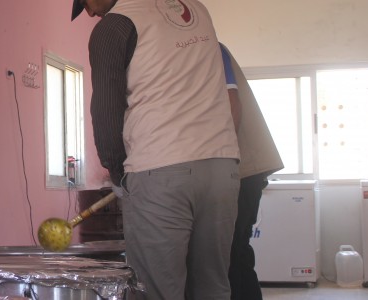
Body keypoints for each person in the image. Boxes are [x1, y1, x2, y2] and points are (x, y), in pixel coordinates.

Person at [72, 0, 241, 299]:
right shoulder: (197, 9)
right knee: (212, 286)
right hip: (221, 168)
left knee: (155, 291)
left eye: (85, 1)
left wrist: (117, 173)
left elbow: (106, 110)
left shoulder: (115, 25)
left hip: (160, 168)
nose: (90, 12)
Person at [219, 43, 284, 300]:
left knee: (232, 254)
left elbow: (231, 103)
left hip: (240, 168)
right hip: (244, 167)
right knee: (235, 252)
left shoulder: (204, 47)